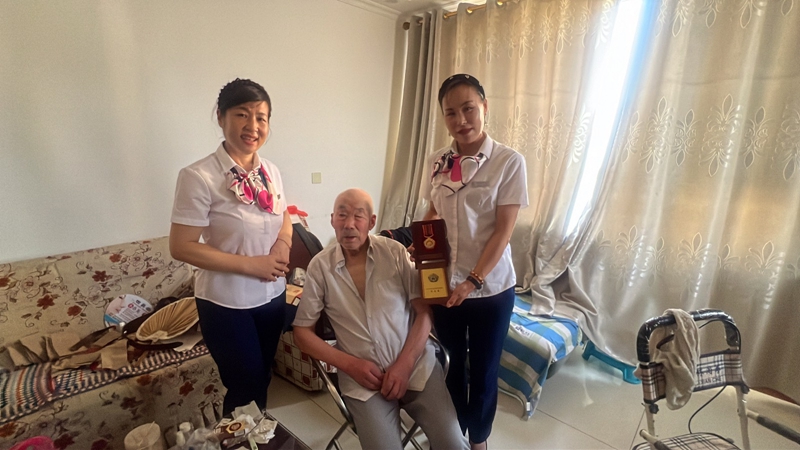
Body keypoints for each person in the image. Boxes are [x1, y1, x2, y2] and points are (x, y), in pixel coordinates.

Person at [292, 189, 468, 450]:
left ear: (372, 222)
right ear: (332, 220)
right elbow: (302, 333)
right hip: (364, 382)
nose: (349, 224)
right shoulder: (320, 267)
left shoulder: (395, 253)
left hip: (416, 367)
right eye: (342, 215)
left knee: (452, 443)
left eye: (358, 216)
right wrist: (351, 365)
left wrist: (405, 365)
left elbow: (424, 313)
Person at [169, 78, 293, 415]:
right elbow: (181, 246)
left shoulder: (271, 171)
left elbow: (284, 215)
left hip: (272, 296)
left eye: (261, 117)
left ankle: (257, 435)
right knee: (244, 387)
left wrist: (283, 243)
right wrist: (253, 265)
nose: (253, 126)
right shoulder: (199, 176)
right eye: (242, 114)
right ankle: (239, 436)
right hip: (227, 303)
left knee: (263, 378)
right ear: (221, 117)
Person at [421, 74, 528, 450]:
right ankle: (453, 438)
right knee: (449, 366)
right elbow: (433, 211)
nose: (461, 120)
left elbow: (502, 231)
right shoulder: (437, 161)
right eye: (451, 113)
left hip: (490, 289)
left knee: (483, 373)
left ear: (484, 106)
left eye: (468, 109)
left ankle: (478, 440)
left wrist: (473, 280)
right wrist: (422, 251)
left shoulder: (508, 162)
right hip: (445, 287)